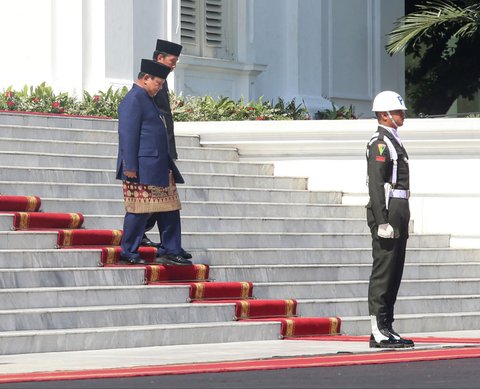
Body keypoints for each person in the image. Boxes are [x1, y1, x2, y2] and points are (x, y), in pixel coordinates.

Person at [116, 58, 192, 266]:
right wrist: (129, 166)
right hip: (141, 168)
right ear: (146, 78)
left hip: (159, 166)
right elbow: (128, 135)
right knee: (138, 211)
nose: (159, 88)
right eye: (158, 83)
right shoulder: (134, 99)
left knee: (170, 208)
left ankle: (171, 248)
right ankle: (128, 251)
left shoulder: (147, 98)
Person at [365, 90, 414, 348]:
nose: (402, 115)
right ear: (384, 115)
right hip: (387, 209)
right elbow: (376, 184)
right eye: (398, 112)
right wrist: (382, 220)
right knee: (384, 270)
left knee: (395, 270)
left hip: (399, 206)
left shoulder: (394, 141)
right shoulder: (380, 143)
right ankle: (378, 329)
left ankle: (387, 325)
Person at [139, 39, 192, 261]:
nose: (174, 66)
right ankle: (138, 238)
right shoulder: (147, 85)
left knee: (164, 201)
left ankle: (164, 244)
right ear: (160, 59)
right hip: (155, 152)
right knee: (159, 200)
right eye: (172, 61)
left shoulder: (161, 81)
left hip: (164, 150)